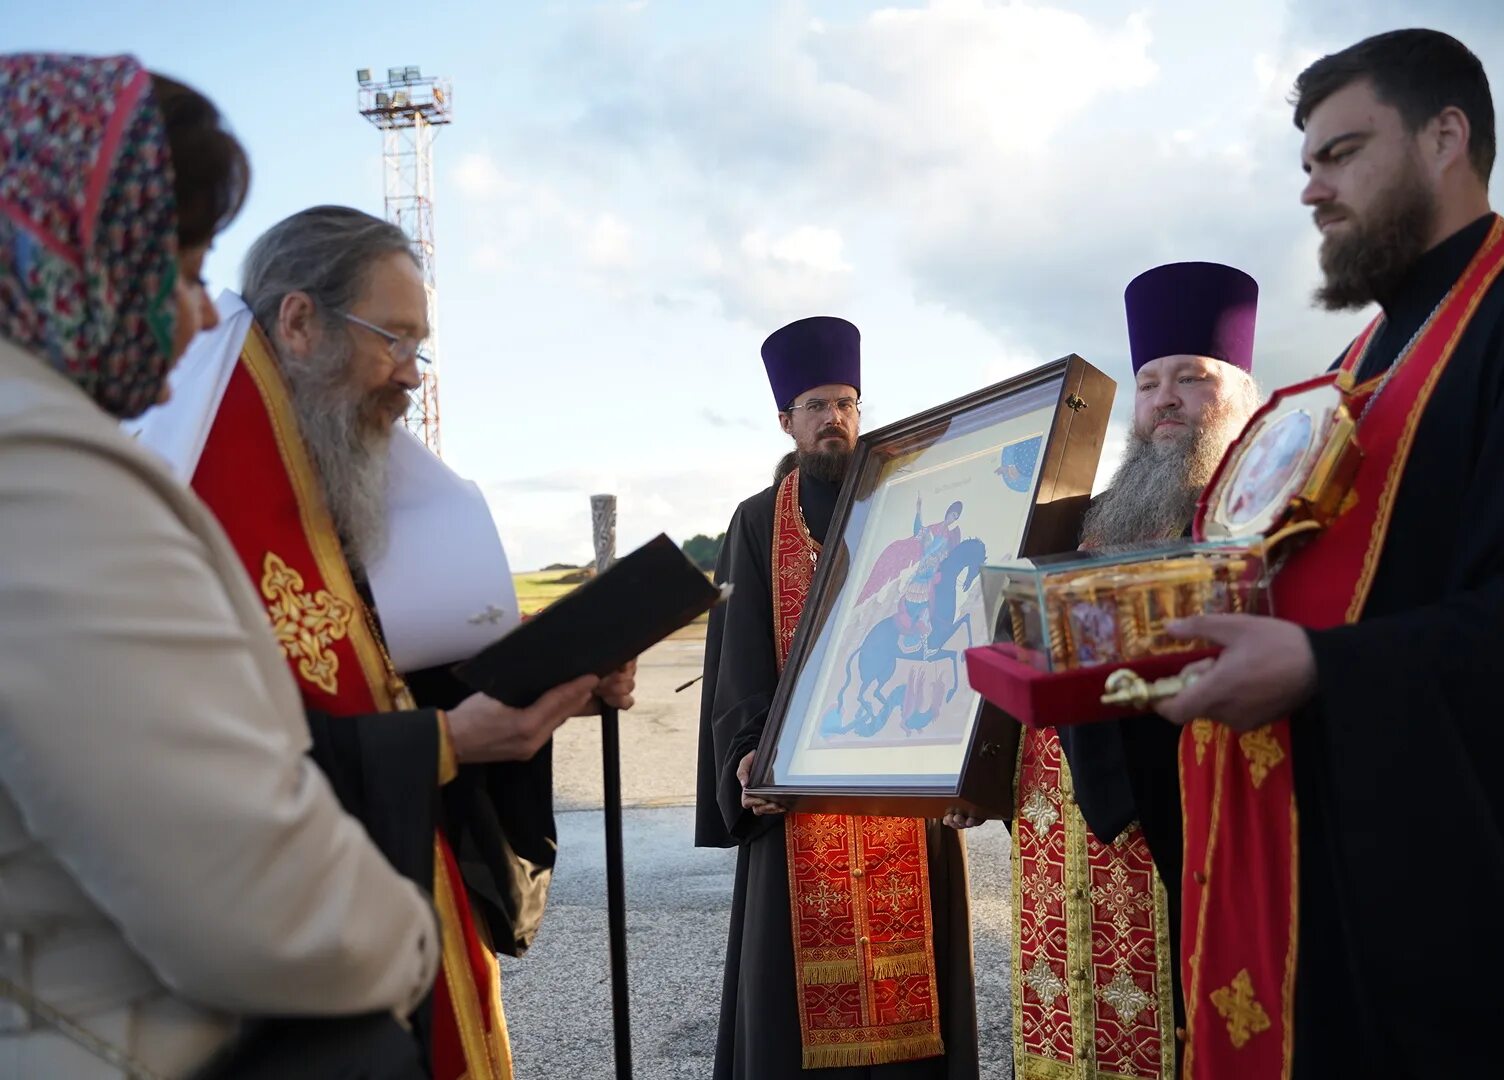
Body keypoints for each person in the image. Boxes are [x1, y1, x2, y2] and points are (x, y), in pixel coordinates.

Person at [1149, 29, 1504, 1078]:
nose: (1311, 190)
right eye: (1305, 164)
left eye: (1341, 151)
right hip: (1329, 883)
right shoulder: (1352, 366)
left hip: (1469, 917)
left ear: (1444, 136)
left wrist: (1324, 670)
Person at [0, 54, 439, 1077]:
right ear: (73, 249)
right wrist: (412, 949)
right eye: (188, 268)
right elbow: (250, 899)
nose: (204, 316)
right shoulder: (43, 475)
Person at [134, 204, 635, 1080]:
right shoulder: (187, 495)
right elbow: (178, 771)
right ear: (299, 323)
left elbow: (388, 665)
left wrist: (558, 668)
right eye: (393, 341)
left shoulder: (329, 472)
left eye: (420, 347)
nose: (413, 378)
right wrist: (444, 744)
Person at [975, 263, 1263, 1080]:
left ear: (1242, 394)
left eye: (1192, 379)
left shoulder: (1264, 511)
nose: (1165, 397)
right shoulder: (1096, 516)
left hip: (1184, 826)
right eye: (1148, 382)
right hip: (1055, 838)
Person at [695, 316, 979, 1079]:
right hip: (800, 805)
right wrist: (750, 751)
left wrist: (963, 756)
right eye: (816, 406)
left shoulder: (905, 508)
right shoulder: (759, 521)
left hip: (902, 790)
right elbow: (740, 657)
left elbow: (950, 631)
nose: (834, 420)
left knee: (919, 995)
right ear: (786, 421)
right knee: (791, 1007)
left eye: (847, 404)